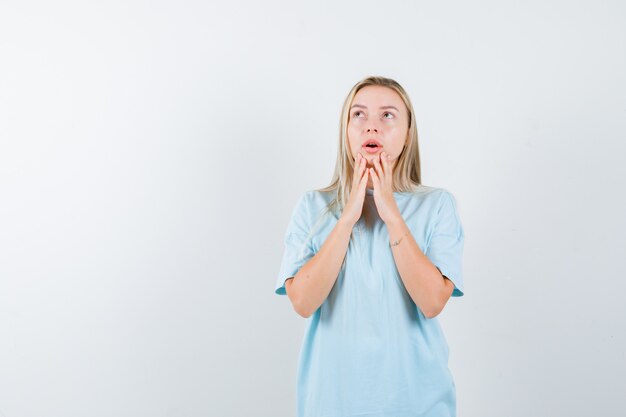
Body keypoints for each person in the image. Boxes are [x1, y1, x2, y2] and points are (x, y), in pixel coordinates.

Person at [274, 75, 465, 417]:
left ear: (408, 135)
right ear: (346, 131)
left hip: (418, 404)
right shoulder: (312, 206)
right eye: (359, 115)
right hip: (331, 404)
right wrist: (348, 217)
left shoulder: (437, 205)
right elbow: (302, 302)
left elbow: (433, 301)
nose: (371, 127)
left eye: (388, 115)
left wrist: (390, 211)